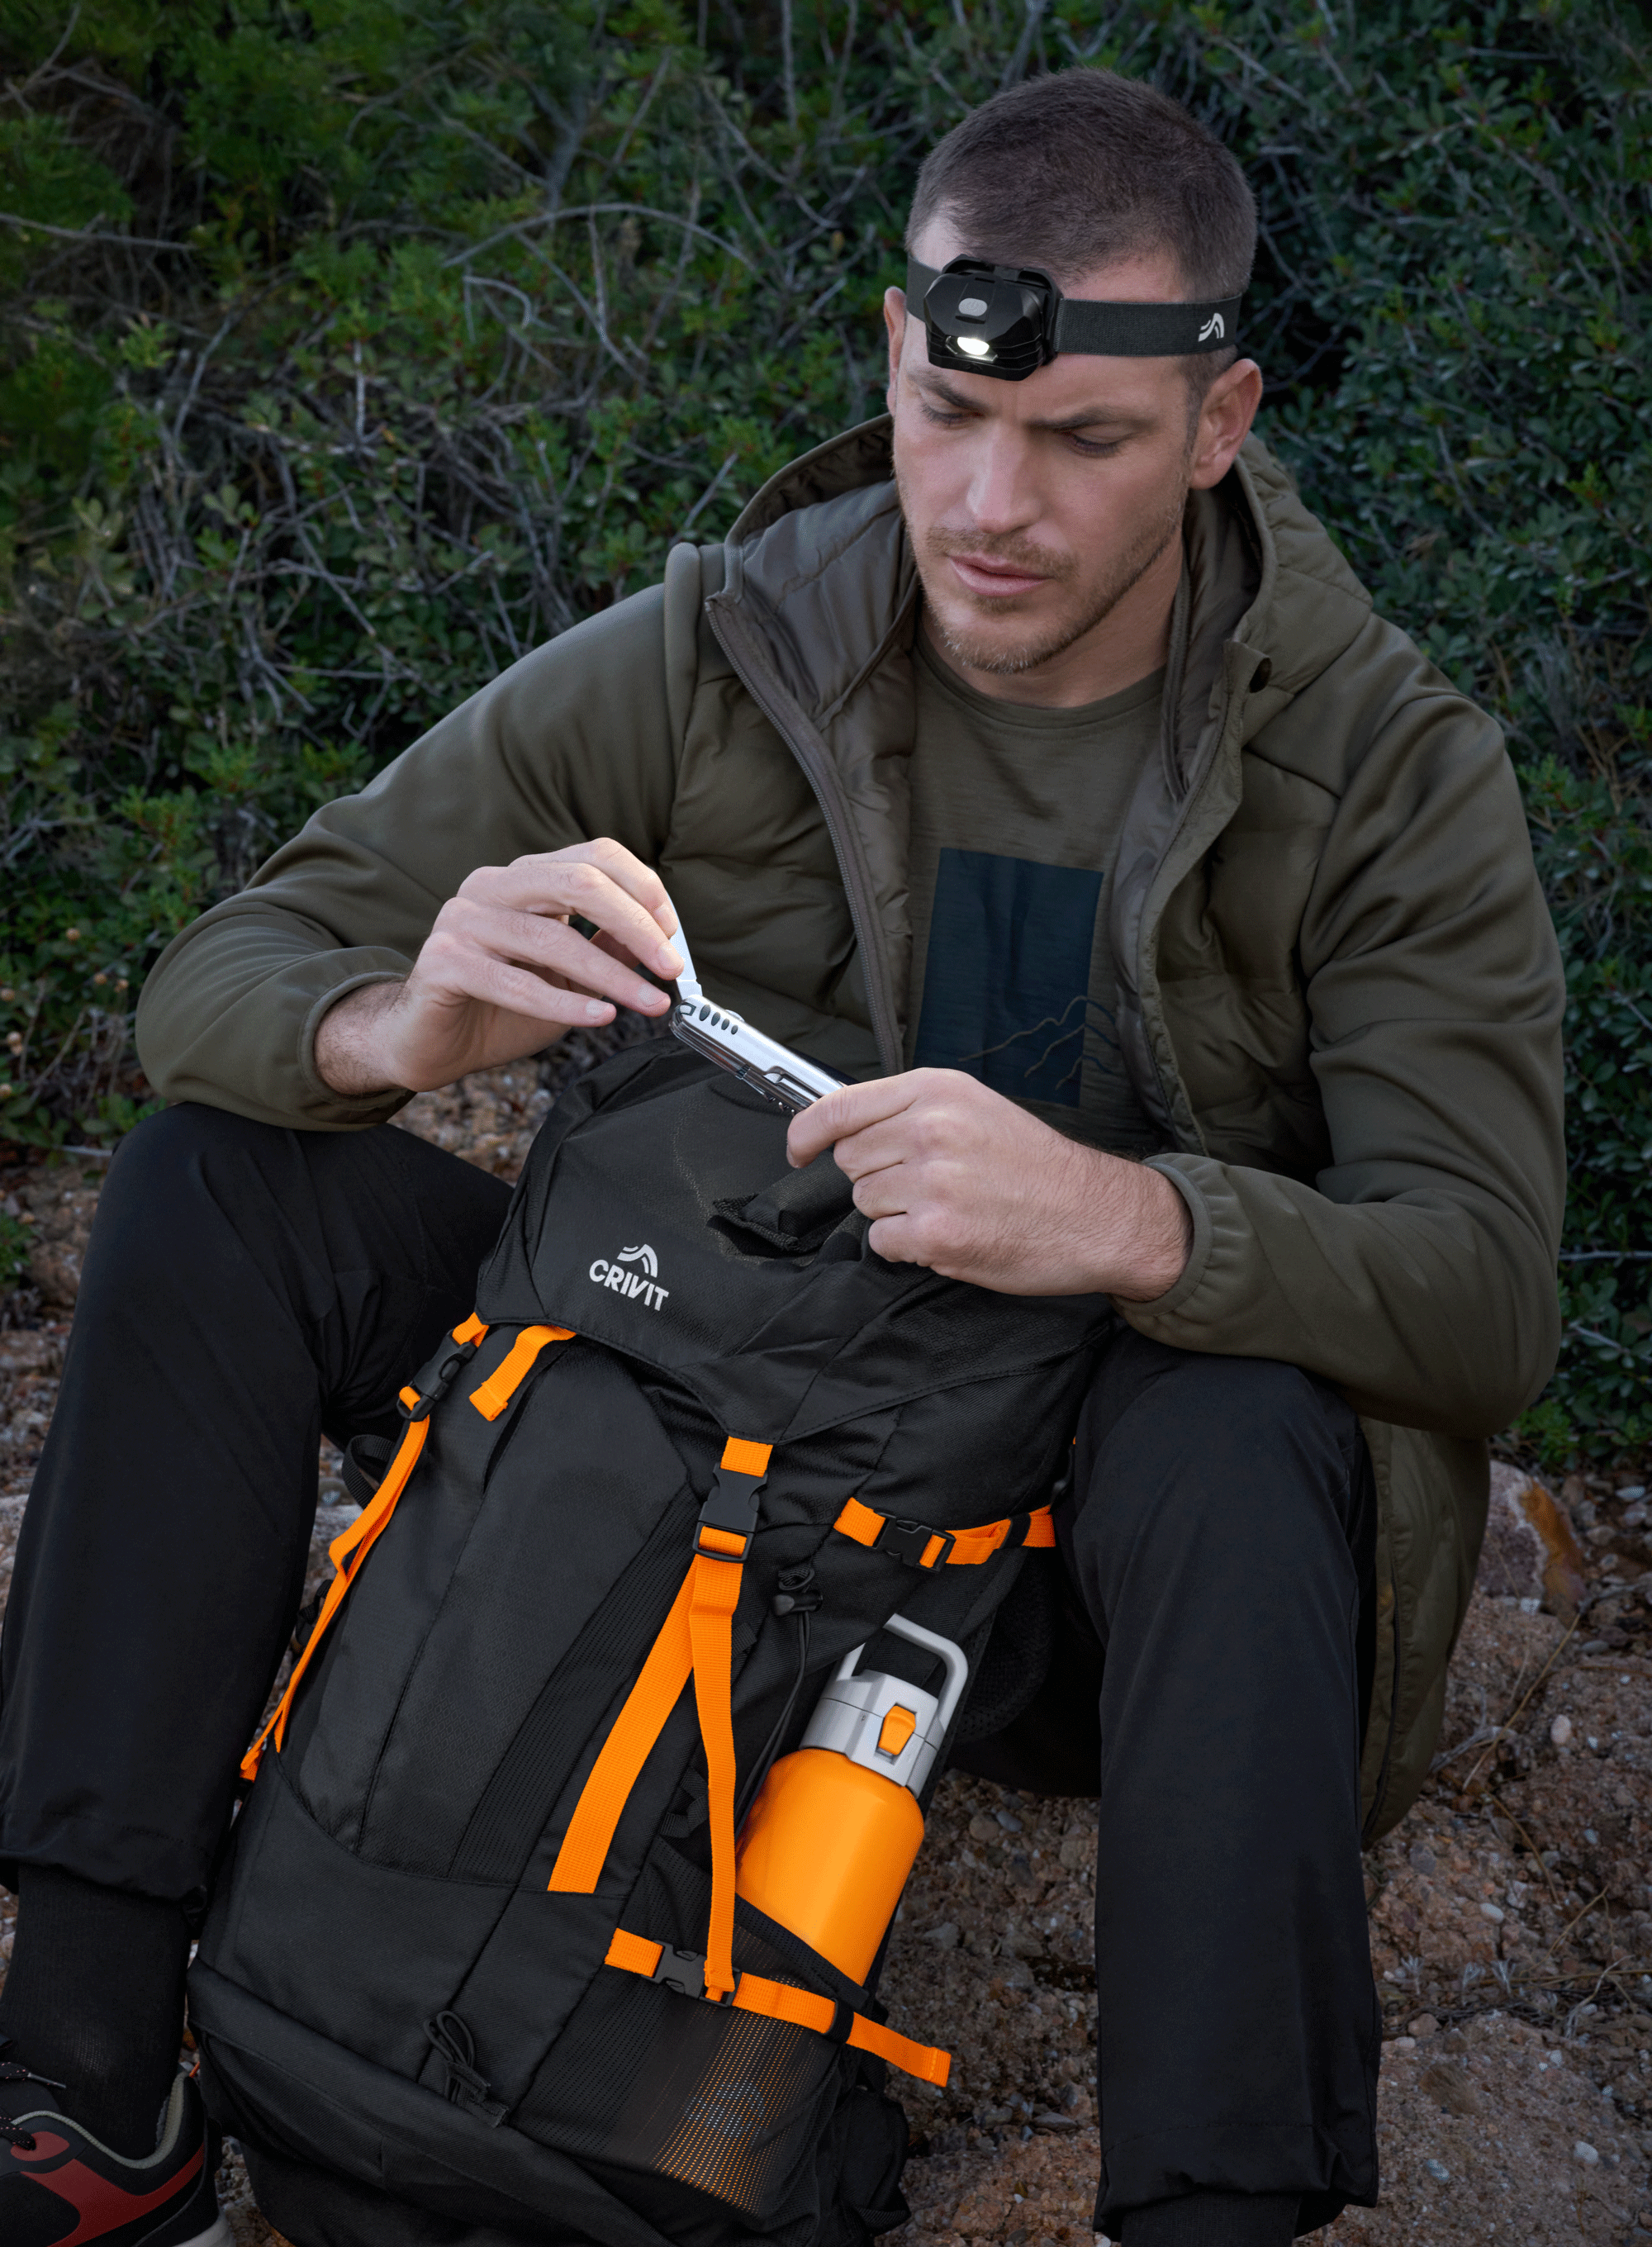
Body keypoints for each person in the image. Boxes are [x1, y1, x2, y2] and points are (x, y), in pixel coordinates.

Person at [0, 64, 1564, 2247]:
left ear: (1220, 424)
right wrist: (404, 1019)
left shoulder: (1385, 771)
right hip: (718, 1403)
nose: (988, 504)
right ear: (896, 360)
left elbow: (1487, 1290)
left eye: (1081, 441)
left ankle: (1212, 2212)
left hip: (1053, 1569)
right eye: (947, 412)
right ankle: (87, 2086)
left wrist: (1125, 1220)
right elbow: (231, 965)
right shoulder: (737, 641)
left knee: (1239, 1428)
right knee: (216, 1180)